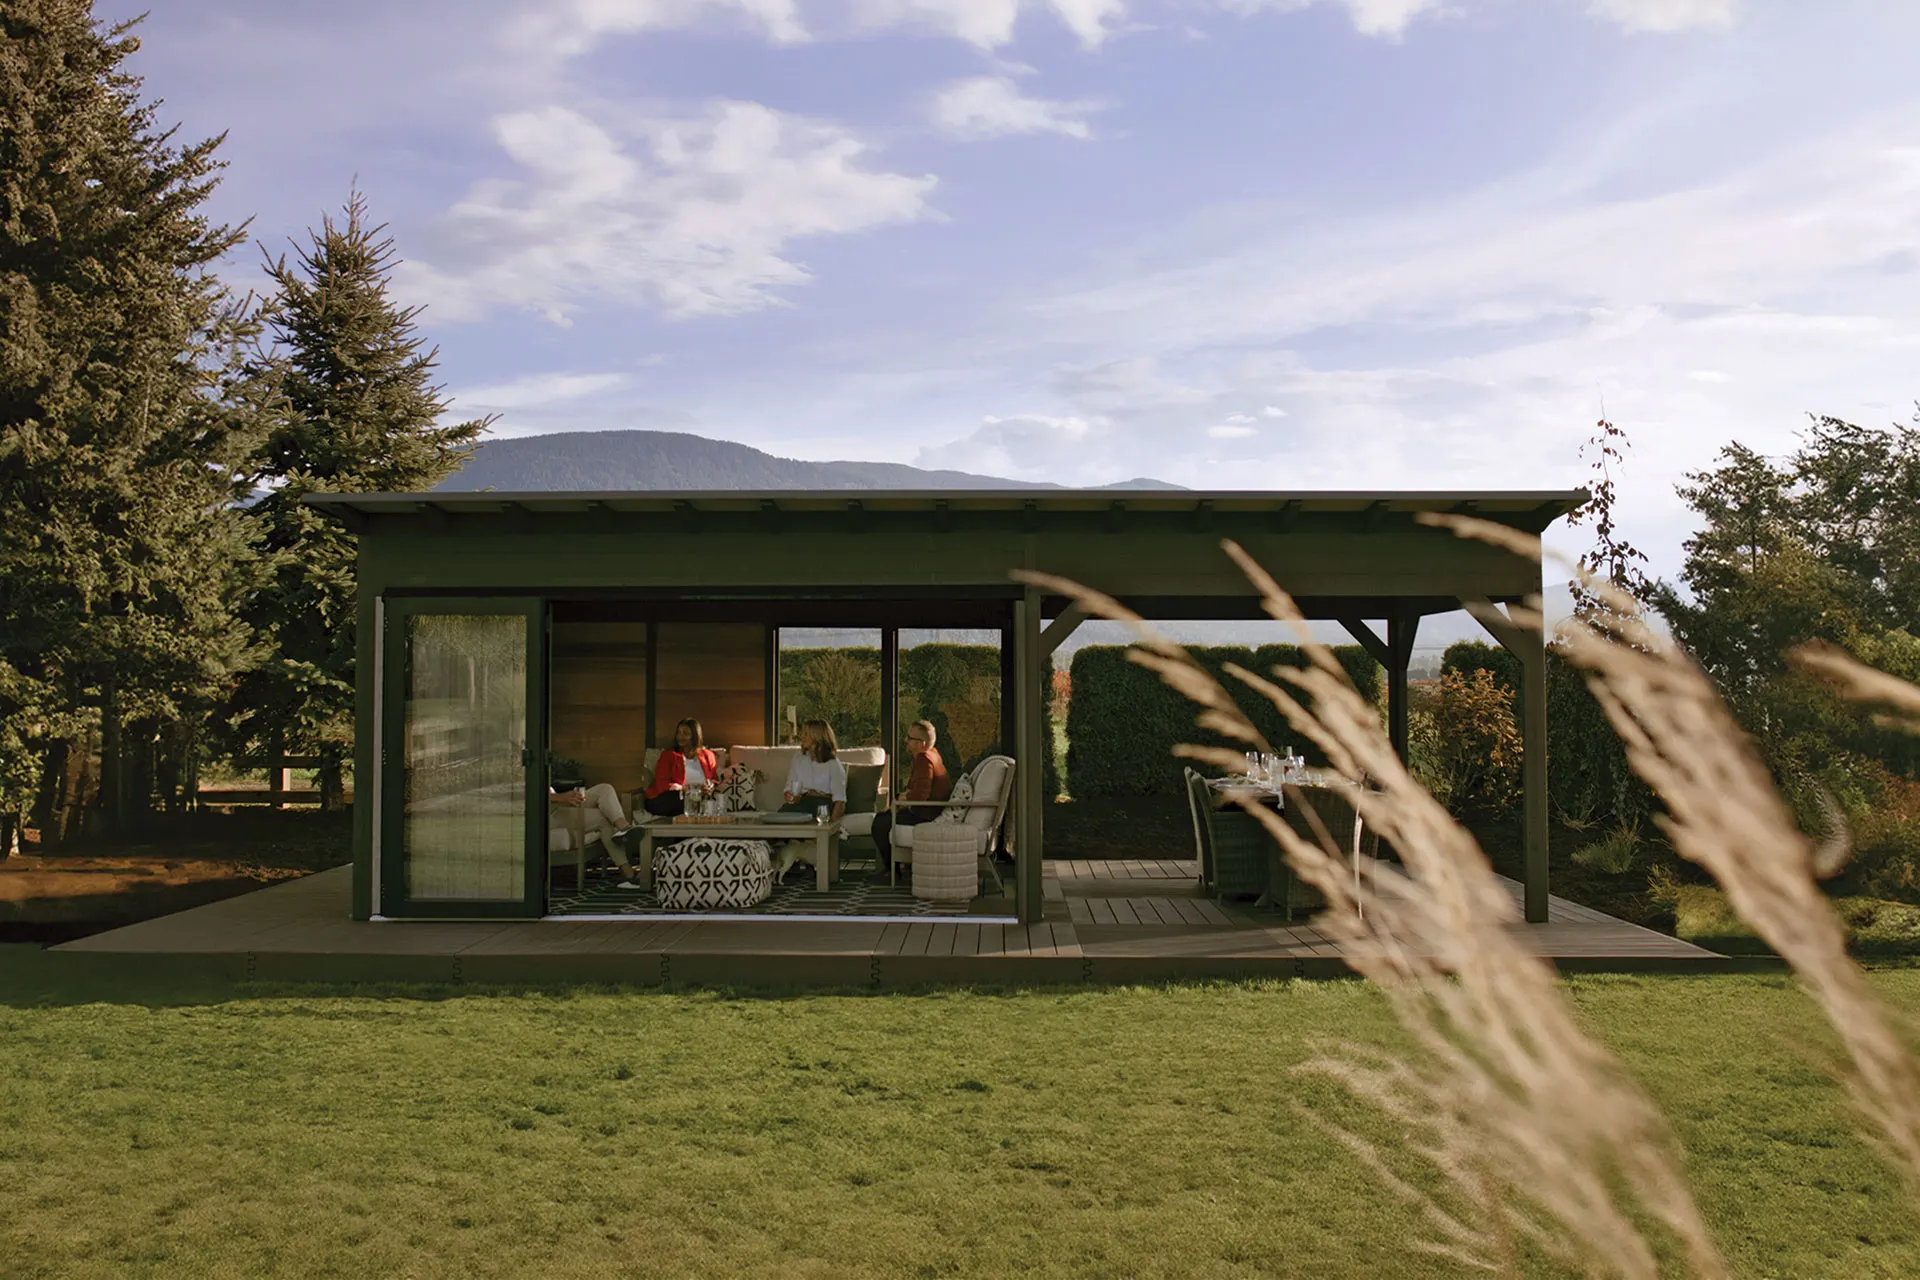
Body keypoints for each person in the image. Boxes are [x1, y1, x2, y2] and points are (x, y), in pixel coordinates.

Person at [871, 719, 952, 877]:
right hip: (928, 809)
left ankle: (892, 871)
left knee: (880, 823)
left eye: (910, 738)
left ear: (921, 743)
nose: (906, 741)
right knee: (885, 816)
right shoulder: (932, 754)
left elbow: (921, 794)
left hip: (925, 814)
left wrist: (903, 798)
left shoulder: (924, 760)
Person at [549, 781, 644, 889]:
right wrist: (559, 797)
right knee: (604, 818)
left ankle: (624, 828)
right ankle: (628, 872)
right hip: (547, 812)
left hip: (556, 803)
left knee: (605, 789)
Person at [644, 717, 721, 819]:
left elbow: (714, 780)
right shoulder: (668, 755)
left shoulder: (708, 756)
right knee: (679, 798)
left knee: (711, 800)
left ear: (694, 736)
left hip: (699, 798)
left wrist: (711, 787)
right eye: (679, 733)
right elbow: (661, 783)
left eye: (685, 733)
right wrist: (684, 789)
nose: (680, 737)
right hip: (668, 798)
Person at [781, 719, 847, 823]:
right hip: (802, 803)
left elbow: (840, 800)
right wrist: (790, 795)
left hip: (822, 805)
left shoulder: (832, 763)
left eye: (806, 734)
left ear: (817, 737)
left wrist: (832, 826)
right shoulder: (798, 758)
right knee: (783, 813)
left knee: (799, 815)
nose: (802, 736)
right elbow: (790, 787)